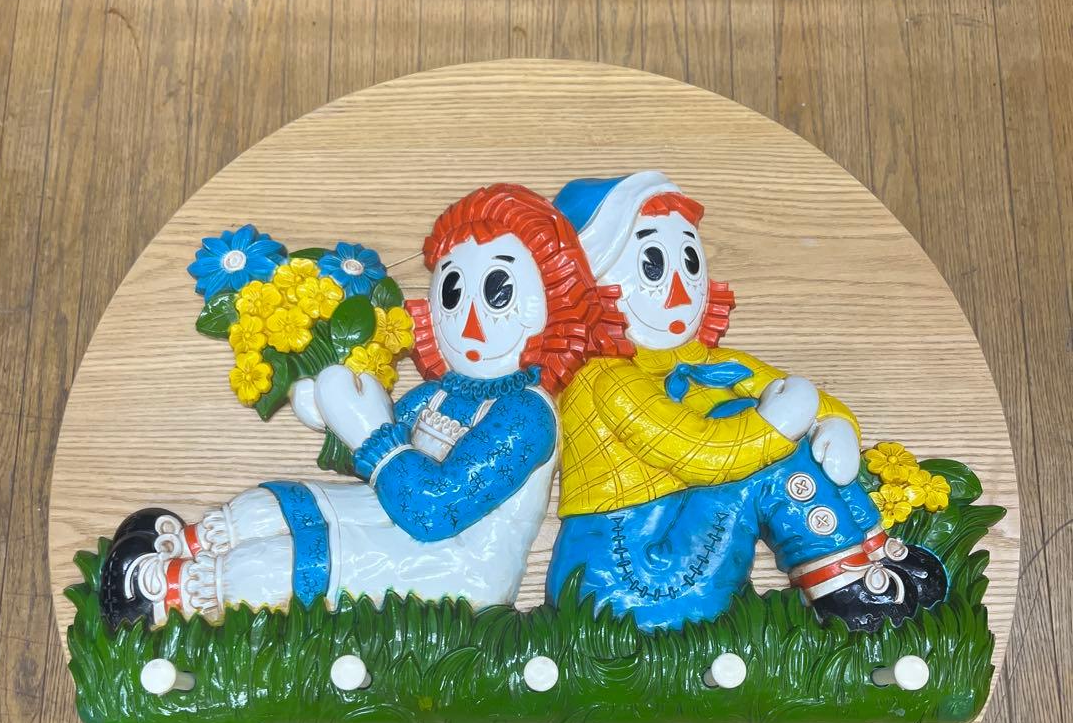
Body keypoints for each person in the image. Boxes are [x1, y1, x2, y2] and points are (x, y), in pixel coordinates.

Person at [100, 184, 628, 628]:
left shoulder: (526, 415)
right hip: (393, 518)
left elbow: (432, 510)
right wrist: (332, 418)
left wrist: (372, 434)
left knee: (288, 559)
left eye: (497, 292)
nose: (469, 319)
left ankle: (169, 591)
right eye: (452, 291)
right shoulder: (441, 393)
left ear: (554, 303)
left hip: (456, 567)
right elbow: (380, 469)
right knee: (273, 505)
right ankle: (189, 543)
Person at [546, 172, 947, 631]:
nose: (679, 289)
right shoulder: (604, 377)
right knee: (747, 424)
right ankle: (840, 582)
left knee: (774, 419)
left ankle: (871, 550)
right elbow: (701, 452)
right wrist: (776, 424)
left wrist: (835, 425)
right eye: (652, 265)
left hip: (690, 552)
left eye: (689, 261)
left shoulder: (712, 362)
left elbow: (804, 398)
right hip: (622, 579)